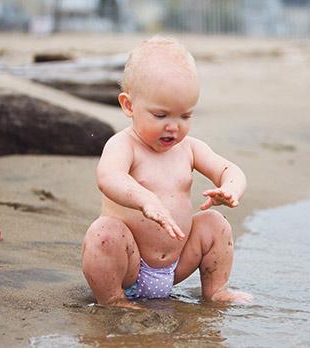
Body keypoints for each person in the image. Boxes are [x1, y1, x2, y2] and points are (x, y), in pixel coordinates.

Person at [81, 36, 251, 307]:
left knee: (214, 223)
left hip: (177, 264)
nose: (174, 127)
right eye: (161, 116)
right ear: (129, 105)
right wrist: (145, 199)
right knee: (103, 233)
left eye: (185, 116)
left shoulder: (190, 149)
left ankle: (216, 290)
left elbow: (231, 169)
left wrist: (230, 188)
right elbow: (108, 177)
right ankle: (113, 299)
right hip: (130, 265)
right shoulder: (125, 145)